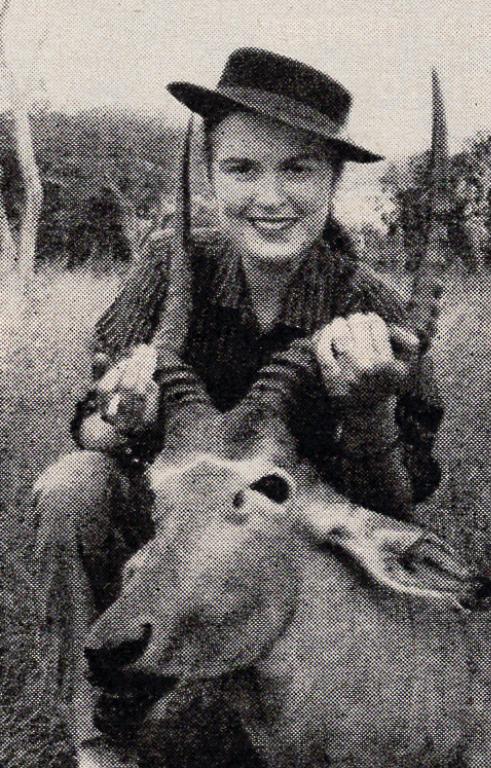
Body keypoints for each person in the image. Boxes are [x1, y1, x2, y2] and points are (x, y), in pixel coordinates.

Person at [32, 48, 444, 768]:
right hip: (175, 519)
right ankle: (100, 742)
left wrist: (372, 410)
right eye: (243, 169)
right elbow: (89, 422)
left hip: (290, 545)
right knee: (72, 486)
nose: (270, 198)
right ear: (211, 173)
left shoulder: (373, 308)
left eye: (298, 169)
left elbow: (398, 508)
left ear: (333, 181)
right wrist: (119, 415)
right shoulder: (170, 263)